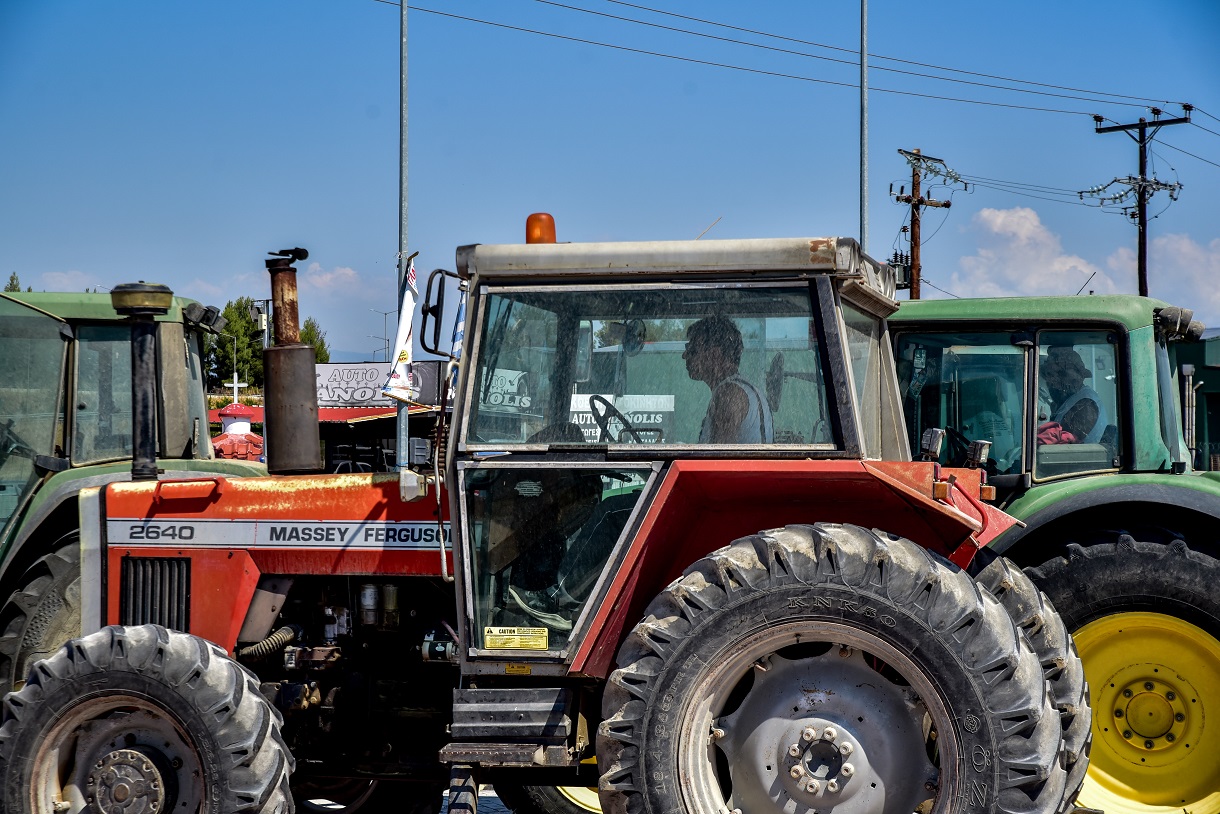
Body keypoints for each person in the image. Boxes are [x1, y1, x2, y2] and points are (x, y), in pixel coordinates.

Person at [683, 315, 774, 443]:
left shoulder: (728, 394)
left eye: (692, 349)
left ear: (715, 354)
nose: (684, 355)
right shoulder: (746, 390)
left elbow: (717, 460)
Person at [1038, 346, 1107, 444]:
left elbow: (1063, 447)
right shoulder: (1069, 401)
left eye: (1053, 377)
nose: (1051, 384)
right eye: (1048, 377)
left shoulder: (1085, 404)